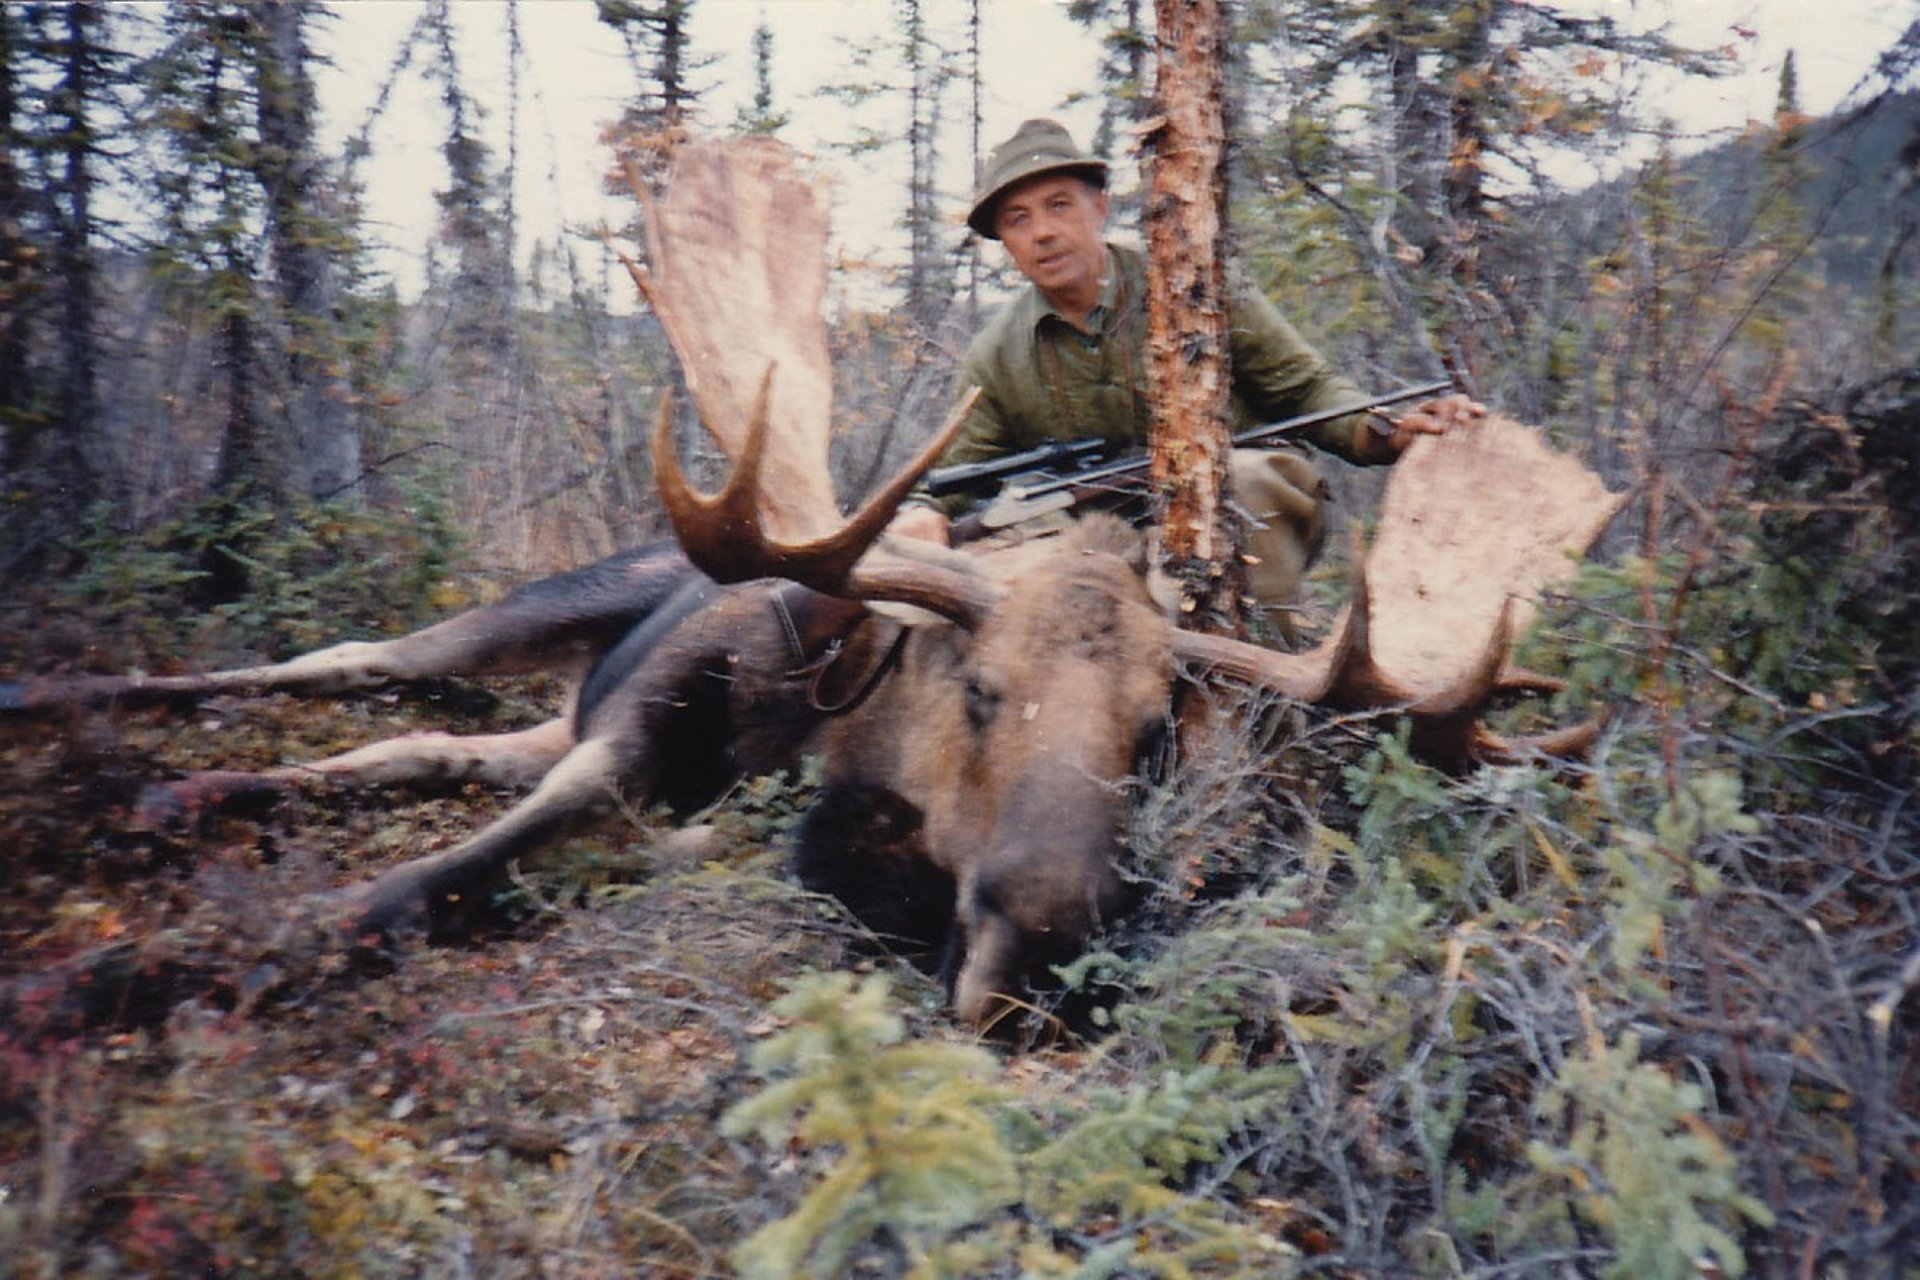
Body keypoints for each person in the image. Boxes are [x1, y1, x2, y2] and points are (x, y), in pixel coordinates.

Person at [891, 118, 1481, 636]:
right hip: (1098, 533)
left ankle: (1260, 715)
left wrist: (1387, 431)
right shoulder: (996, 354)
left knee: (1241, 482)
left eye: (1060, 204)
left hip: (1244, 500)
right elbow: (951, 476)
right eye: (1018, 219)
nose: (1042, 231)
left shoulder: (1197, 280)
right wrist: (923, 514)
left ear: (1100, 206)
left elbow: (1309, 393)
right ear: (1007, 244)